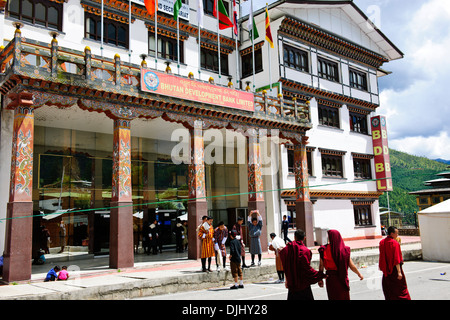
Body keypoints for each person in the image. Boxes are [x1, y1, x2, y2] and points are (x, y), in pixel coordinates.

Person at [279, 229, 326, 300]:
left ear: (294, 237)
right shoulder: (306, 251)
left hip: (293, 284)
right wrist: (319, 276)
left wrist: (287, 279)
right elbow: (307, 269)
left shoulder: (287, 249)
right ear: (304, 238)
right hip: (303, 284)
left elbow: (285, 264)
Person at [318, 229, 363, 300]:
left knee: (333, 297)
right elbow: (351, 266)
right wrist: (359, 274)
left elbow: (321, 265)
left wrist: (320, 278)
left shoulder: (324, 250)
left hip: (330, 279)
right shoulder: (343, 250)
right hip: (341, 278)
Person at [379, 226, 411, 300]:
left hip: (386, 271)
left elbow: (382, 257)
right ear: (392, 233)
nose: (397, 235)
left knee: (389, 290)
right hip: (395, 270)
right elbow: (396, 259)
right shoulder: (394, 243)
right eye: (396, 233)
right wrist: (399, 272)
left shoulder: (382, 242)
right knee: (400, 290)